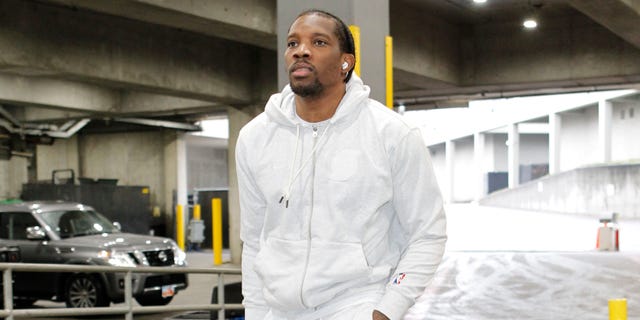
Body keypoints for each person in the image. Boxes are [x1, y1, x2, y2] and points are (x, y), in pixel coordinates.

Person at [236, 9, 447, 320]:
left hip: (354, 305)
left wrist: (387, 310)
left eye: (318, 42)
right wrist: (254, 313)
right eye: (293, 43)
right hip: (278, 311)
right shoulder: (255, 137)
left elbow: (428, 234)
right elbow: (254, 241)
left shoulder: (390, 133)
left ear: (345, 63)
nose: (301, 51)